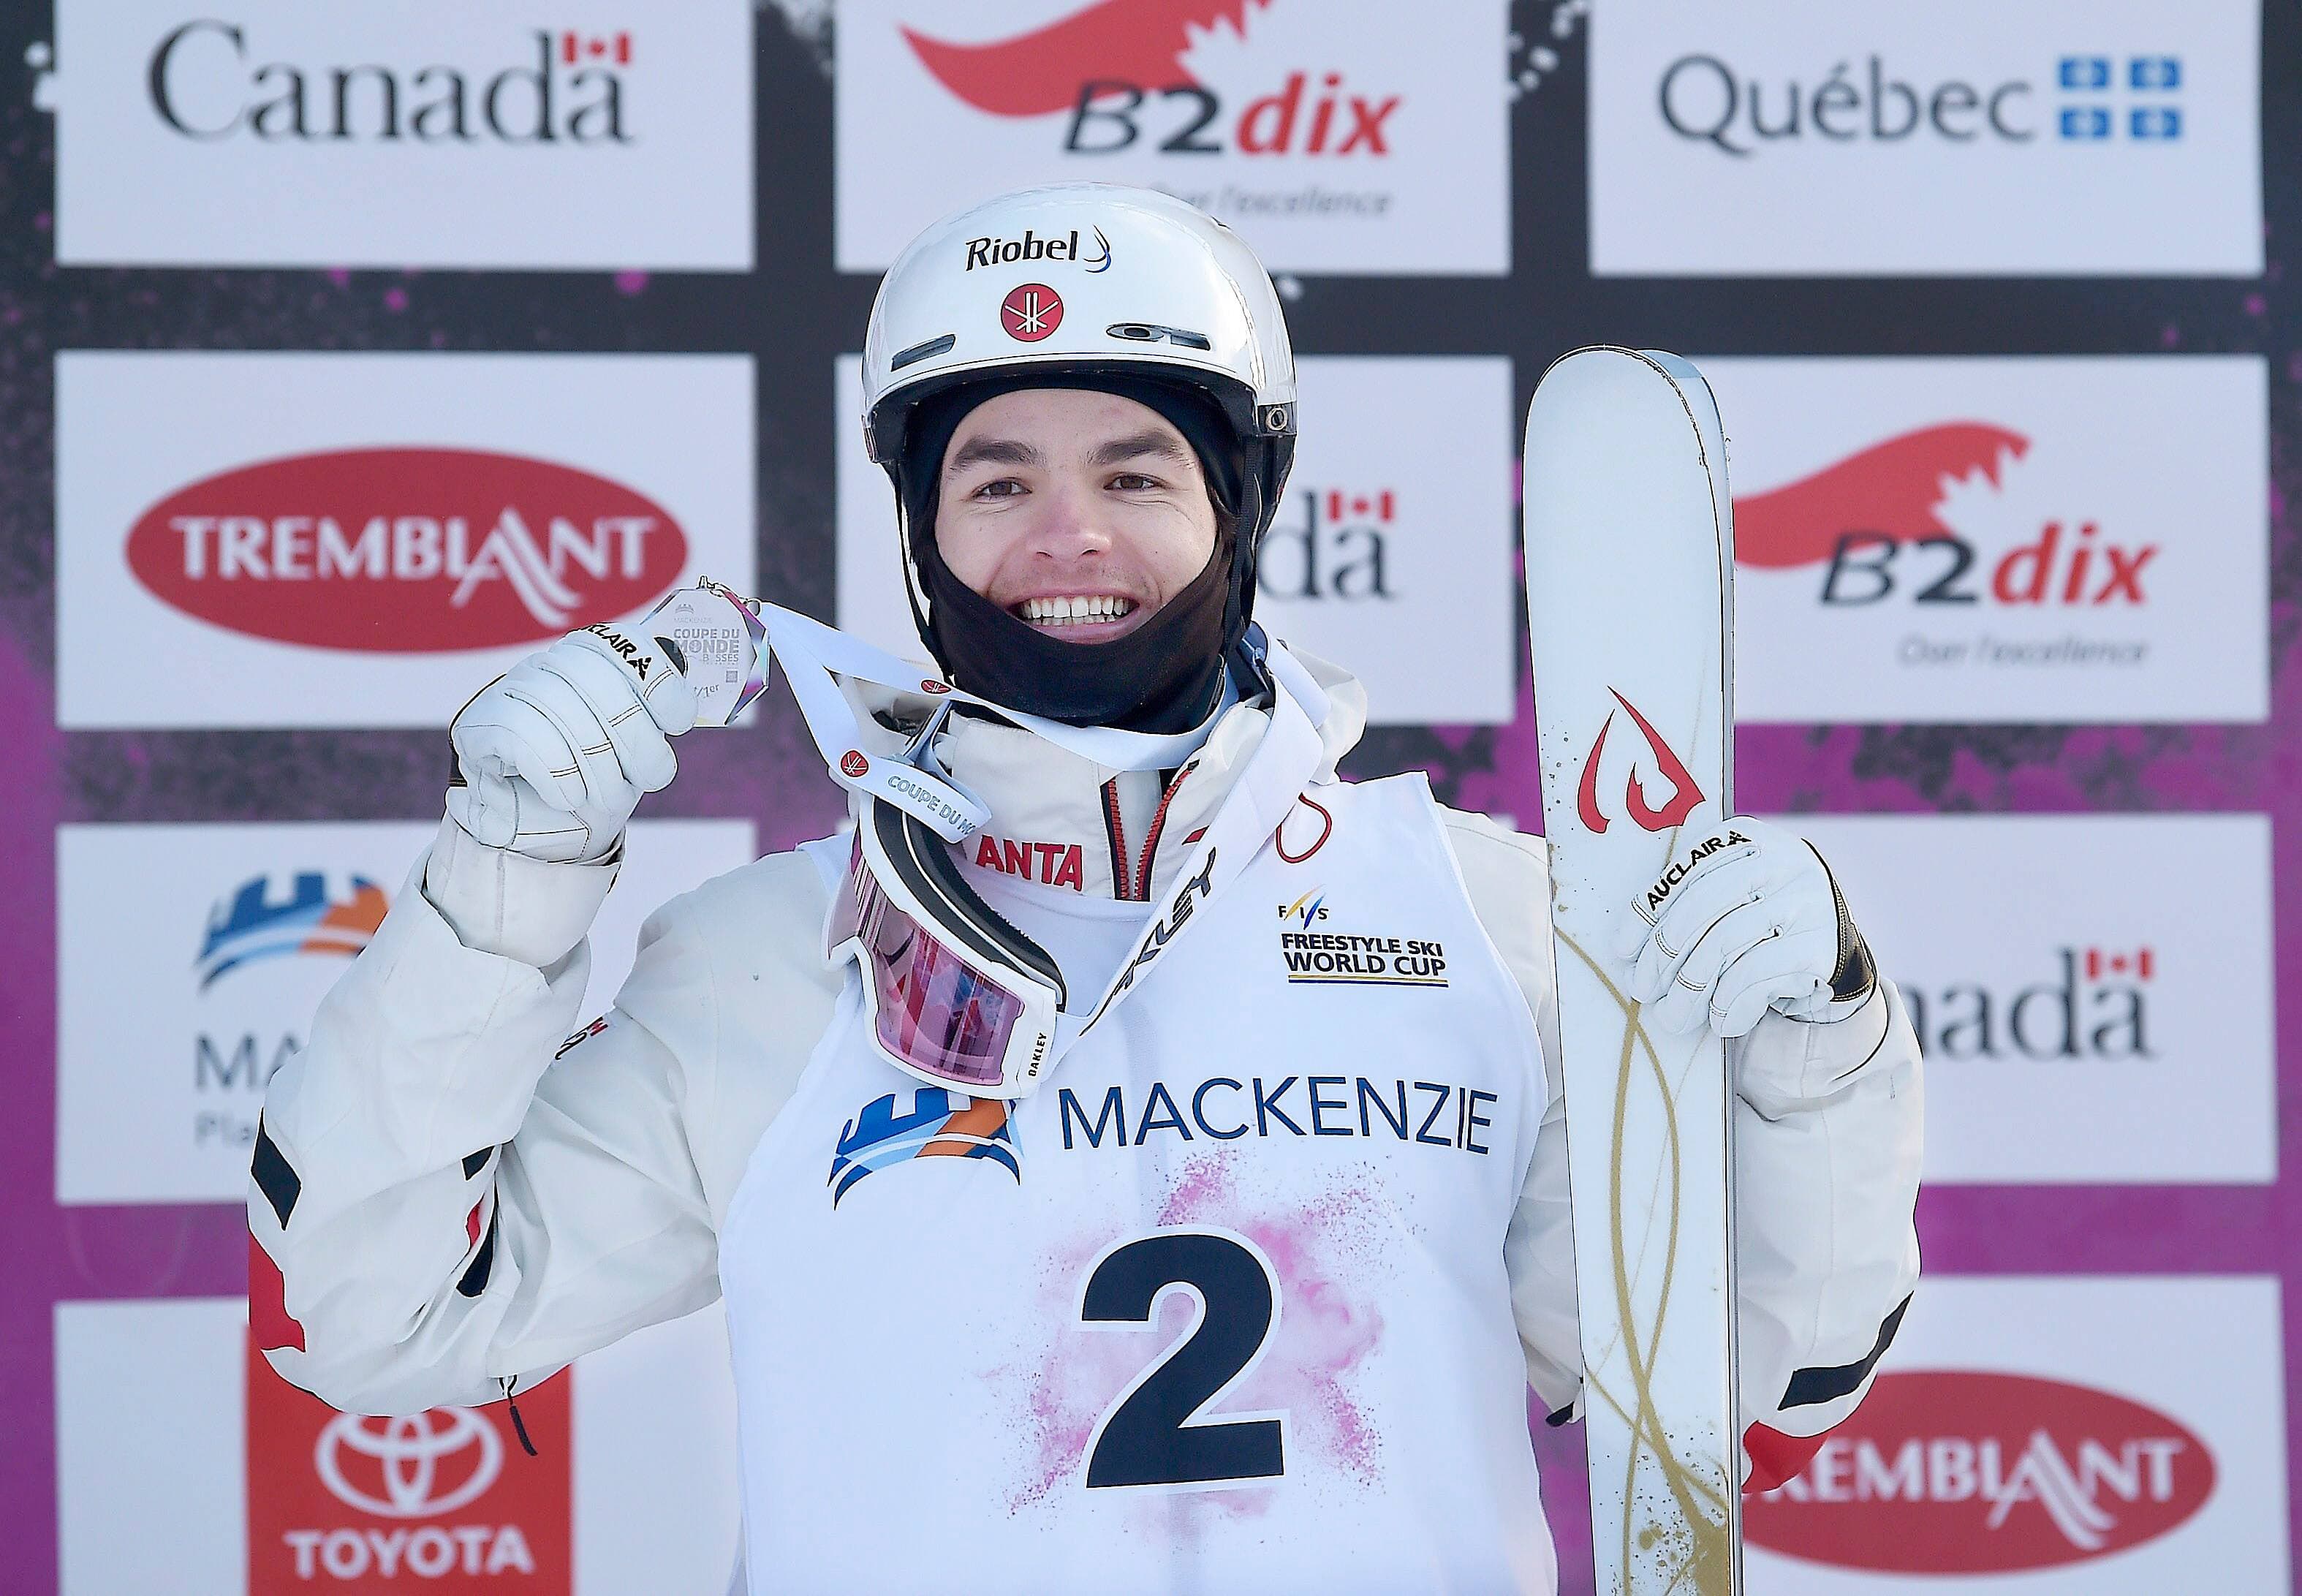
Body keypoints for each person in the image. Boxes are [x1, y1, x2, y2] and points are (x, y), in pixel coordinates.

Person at [250, 183, 1921, 1594]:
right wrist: (509, 870)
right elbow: (379, 1322)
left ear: (1238, 506)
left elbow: (1767, 1368)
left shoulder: (1482, 921)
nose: (1069, 536)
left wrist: (1822, 1059)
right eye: (997, 480)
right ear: (921, 534)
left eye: (1135, 474)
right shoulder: (766, 969)